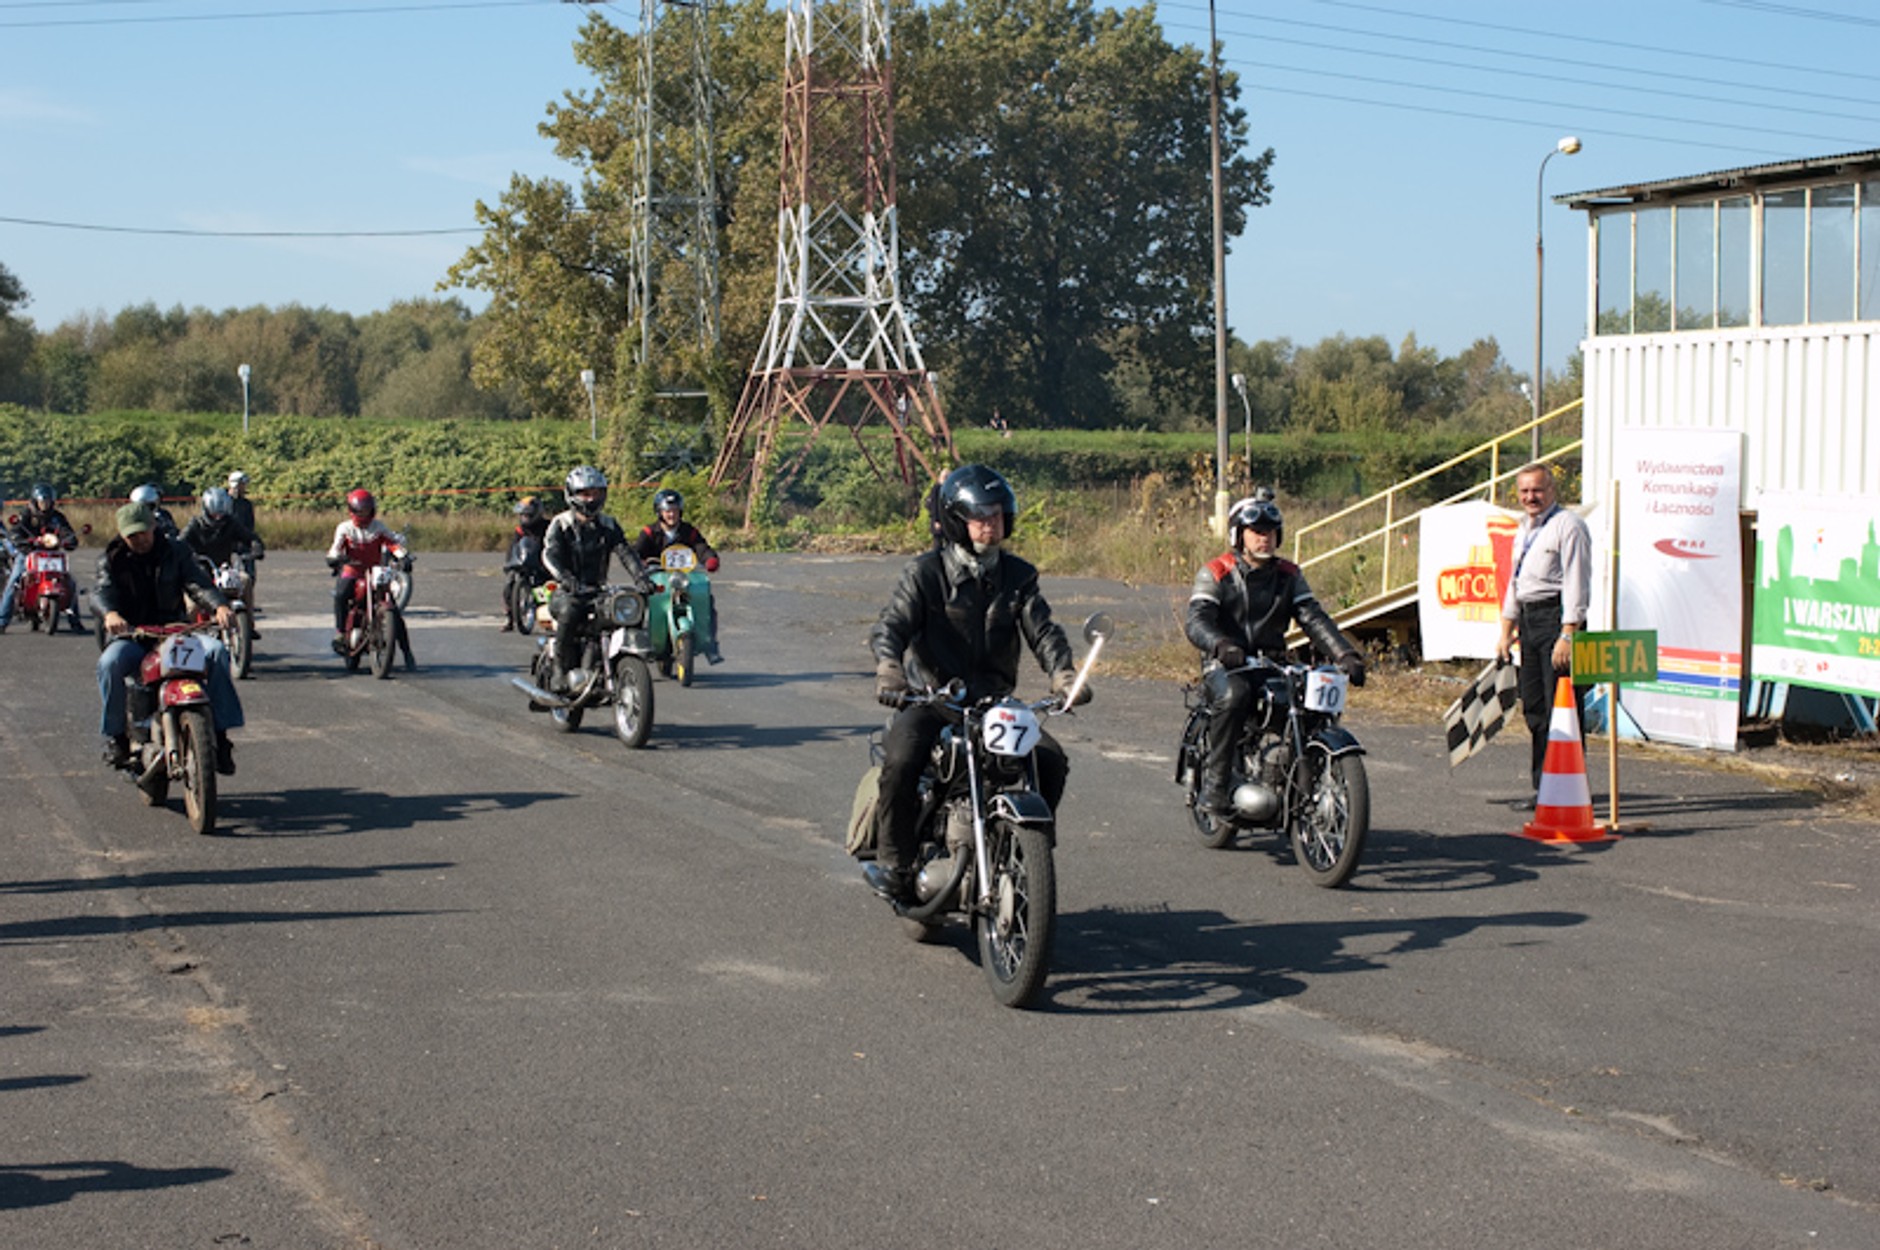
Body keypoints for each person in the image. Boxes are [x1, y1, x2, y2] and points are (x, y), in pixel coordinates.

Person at [864, 464, 1090, 904]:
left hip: (994, 705)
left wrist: (1064, 674)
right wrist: (889, 668)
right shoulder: (926, 572)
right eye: (981, 516)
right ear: (957, 522)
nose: (991, 524)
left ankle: (1029, 850)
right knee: (902, 759)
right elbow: (891, 625)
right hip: (933, 699)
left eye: (998, 515)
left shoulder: (1019, 576)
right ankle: (896, 862)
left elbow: (1044, 631)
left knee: (1050, 759)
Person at [1184, 488, 1367, 815]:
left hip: (1273, 663)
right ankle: (1215, 786)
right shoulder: (1216, 571)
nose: (1264, 538)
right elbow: (1197, 620)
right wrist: (1221, 644)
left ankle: (1295, 773)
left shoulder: (1289, 575)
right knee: (1236, 695)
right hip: (1226, 664)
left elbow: (1312, 617)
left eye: (1270, 532)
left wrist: (1345, 654)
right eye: (1256, 531)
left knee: (1309, 704)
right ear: (1238, 535)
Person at [95, 501, 242, 773]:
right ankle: (116, 738)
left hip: (176, 632)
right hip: (134, 636)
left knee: (216, 652)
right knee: (109, 663)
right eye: (132, 536)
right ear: (122, 535)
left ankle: (220, 737)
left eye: (143, 532)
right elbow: (102, 591)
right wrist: (110, 614)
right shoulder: (111, 558)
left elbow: (197, 583)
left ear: (153, 526)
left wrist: (219, 606)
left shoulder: (176, 551)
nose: (139, 539)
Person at [1496, 463, 1593, 808]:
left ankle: (1568, 791)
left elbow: (1577, 582)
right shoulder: (1523, 529)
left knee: (1562, 710)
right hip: (1529, 620)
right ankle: (1544, 790)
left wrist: (1568, 634)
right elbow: (1516, 582)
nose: (1530, 497)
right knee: (1535, 709)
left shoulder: (1569, 526)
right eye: (1524, 491)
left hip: (1556, 620)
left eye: (1537, 490)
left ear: (1552, 490)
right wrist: (1506, 630)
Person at [539, 466, 655, 693]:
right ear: (572, 494)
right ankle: (560, 670)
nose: (591, 499)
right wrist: (566, 578)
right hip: (566, 591)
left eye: (596, 493)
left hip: (597, 590)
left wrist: (641, 577)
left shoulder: (608, 524)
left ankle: (603, 664)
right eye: (585, 493)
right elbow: (550, 554)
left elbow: (625, 552)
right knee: (570, 611)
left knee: (623, 612)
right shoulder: (561, 523)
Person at [326, 488, 416, 669]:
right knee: (341, 594)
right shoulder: (345, 528)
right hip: (352, 570)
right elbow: (336, 547)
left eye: (367, 510)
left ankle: (407, 651)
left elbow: (392, 543)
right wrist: (334, 558)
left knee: (394, 611)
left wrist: (404, 557)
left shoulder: (378, 527)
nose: (363, 514)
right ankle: (341, 633)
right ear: (351, 510)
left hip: (375, 571)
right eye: (360, 510)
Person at [632, 488, 722, 660]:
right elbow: (636, 552)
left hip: (684, 577)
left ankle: (710, 644)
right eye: (667, 511)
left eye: (675, 510)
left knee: (706, 599)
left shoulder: (689, 531)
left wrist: (710, 559)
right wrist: (641, 563)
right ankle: (639, 642)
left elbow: (702, 548)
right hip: (657, 577)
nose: (671, 515)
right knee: (639, 601)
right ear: (659, 512)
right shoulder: (649, 532)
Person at [182, 487, 265, 637]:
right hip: (198, 571)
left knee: (245, 580)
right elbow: (180, 542)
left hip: (223, 570)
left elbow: (250, 537)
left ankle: (249, 625)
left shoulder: (231, 524)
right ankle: (186, 635)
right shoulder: (195, 524)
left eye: (221, 513)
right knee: (192, 606)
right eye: (214, 514)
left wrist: (256, 548)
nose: (218, 518)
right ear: (206, 510)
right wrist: (185, 555)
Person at [1, 483, 81, 634]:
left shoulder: (57, 517)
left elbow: (67, 532)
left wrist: (69, 540)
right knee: (14, 582)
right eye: (42, 501)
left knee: (70, 582)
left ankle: (75, 620)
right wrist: (21, 540)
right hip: (29, 553)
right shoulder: (26, 515)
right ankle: (2, 621)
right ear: (35, 501)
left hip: (51, 554)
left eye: (48, 501)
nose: (45, 504)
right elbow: (15, 531)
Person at [500, 495, 550, 632]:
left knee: (548, 587)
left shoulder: (548, 527)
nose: (525, 518)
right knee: (509, 584)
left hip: (543, 563)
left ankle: (548, 616)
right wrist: (509, 562)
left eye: (528, 515)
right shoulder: (520, 530)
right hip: (524, 561)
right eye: (522, 515)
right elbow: (514, 546)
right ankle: (510, 618)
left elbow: (555, 545)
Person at [224, 471, 264, 611]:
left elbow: (249, 526)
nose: (244, 487)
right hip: (227, 542)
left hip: (243, 542)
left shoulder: (246, 504)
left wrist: (254, 543)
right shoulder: (224, 502)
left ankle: (248, 602)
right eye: (242, 484)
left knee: (250, 574)